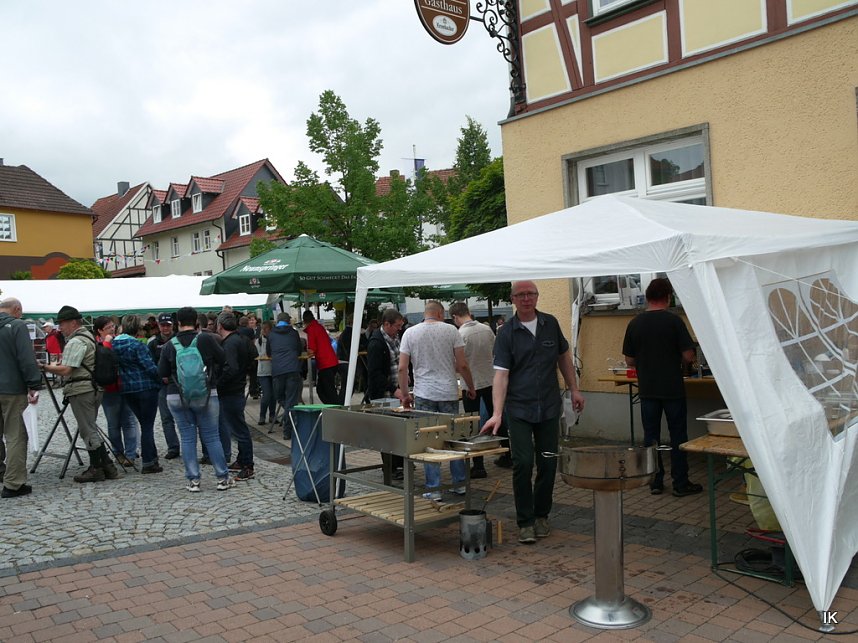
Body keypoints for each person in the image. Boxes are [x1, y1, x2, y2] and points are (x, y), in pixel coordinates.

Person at [482, 281, 585, 544]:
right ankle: (525, 521)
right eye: (521, 295)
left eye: (531, 294)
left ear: (537, 297)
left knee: (548, 463)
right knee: (523, 463)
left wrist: (574, 389)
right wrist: (496, 413)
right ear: (513, 299)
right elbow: (501, 375)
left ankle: (541, 516)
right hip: (518, 408)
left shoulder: (550, 323)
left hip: (549, 406)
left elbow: (563, 357)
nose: (527, 298)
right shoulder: (506, 333)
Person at [622, 277, 702, 498]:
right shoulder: (674, 321)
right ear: (668, 297)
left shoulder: (635, 323)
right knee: (678, 436)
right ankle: (680, 483)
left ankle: (655, 481)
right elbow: (688, 355)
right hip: (672, 389)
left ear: (647, 297)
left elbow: (629, 360)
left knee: (651, 437)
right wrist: (690, 359)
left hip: (647, 389)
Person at [397, 301, 476, 500]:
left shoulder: (410, 333)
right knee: (453, 438)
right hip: (448, 391)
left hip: (424, 393)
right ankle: (459, 484)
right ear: (440, 314)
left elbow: (402, 368)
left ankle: (434, 488)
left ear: (426, 313)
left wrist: (405, 394)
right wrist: (470, 387)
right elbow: (462, 364)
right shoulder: (451, 331)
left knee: (428, 441)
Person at [158, 306, 233, 492]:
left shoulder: (170, 344)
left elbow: (162, 372)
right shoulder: (206, 339)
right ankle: (222, 478)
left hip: (177, 395)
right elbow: (224, 359)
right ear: (197, 322)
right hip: (206, 393)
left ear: (178, 323)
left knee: (187, 437)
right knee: (212, 436)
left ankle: (193, 481)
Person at [42, 305, 120, 483]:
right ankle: (107, 465)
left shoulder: (76, 341)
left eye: (62, 323)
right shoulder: (88, 337)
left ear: (73, 322)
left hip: (82, 389)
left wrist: (44, 367)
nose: (59, 327)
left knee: (88, 430)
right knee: (90, 427)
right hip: (91, 387)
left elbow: (67, 369)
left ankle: (96, 468)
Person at [0, 297, 42, 497]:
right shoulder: (17, 326)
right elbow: (26, 358)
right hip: (11, 389)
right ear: (16, 309)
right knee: (15, 435)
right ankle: (13, 483)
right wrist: (34, 384)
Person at [111, 314, 163, 474]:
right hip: (145, 388)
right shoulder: (137, 345)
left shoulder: (114, 344)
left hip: (127, 389)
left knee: (143, 423)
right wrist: (161, 375)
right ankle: (148, 462)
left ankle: (153, 457)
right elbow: (149, 367)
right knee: (147, 425)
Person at [450, 302, 496, 479]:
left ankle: (478, 465)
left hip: (472, 384)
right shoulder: (487, 329)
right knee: (497, 418)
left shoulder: (460, 334)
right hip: (490, 380)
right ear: (469, 312)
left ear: (455, 317)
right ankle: (508, 455)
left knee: (472, 424)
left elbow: (458, 364)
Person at [366, 308, 405, 479]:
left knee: (398, 429)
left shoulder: (395, 338)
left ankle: (398, 464)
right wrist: (393, 388)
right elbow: (374, 374)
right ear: (386, 324)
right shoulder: (376, 343)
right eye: (397, 326)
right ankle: (389, 468)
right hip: (383, 394)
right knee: (386, 432)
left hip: (396, 391)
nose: (399, 329)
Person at [94, 316, 139, 466]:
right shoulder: (98, 345)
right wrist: (107, 342)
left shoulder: (119, 341)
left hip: (125, 386)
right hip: (109, 390)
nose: (112, 330)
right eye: (108, 327)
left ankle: (131, 454)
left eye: (113, 326)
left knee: (129, 422)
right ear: (100, 331)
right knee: (113, 424)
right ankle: (118, 453)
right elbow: (102, 360)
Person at [217, 311, 256, 481]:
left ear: (220, 326)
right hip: (237, 387)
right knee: (238, 427)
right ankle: (242, 460)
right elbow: (250, 359)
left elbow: (230, 368)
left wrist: (218, 382)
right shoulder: (240, 339)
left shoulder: (230, 343)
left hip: (231, 390)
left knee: (239, 429)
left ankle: (247, 465)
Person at [148, 312, 180, 460]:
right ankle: (173, 447)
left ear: (172, 325)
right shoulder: (153, 343)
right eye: (163, 325)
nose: (165, 328)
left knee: (185, 417)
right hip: (163, 385)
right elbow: (149, 364)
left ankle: (187, 444)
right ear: (159, 326)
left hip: (180, 383)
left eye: (168, 325)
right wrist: (161, 375)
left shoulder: (179, 340)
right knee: (166, 418)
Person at [267, 312, 303, 439]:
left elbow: (268, 353)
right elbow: (299, 350)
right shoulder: (294, 333)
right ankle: (289, 427)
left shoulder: (271, 334)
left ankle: (288, 428)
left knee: (280, 398)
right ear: (288, 321)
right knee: (291, 401)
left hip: (277, 370)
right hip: (292, 369)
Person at [302, 310, 340, 404]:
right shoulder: (319, 327)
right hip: (331, 361)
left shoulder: (311, 329)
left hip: (325, 363)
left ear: (304, 321)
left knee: (325, 390)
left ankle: (335, 409)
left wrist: (302, 352)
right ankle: (332, 408)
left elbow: (311, 350)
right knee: (325, 389)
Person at [256, 321, 275, 424]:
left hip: (274, 370)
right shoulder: (258, 341)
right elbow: (258, 355)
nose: (264, 330)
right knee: (267, 394)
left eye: (266, 328)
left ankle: (272, 415)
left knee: (274, 395)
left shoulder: (274, 340)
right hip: (263, 372)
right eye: (262, 328)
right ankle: (262, 415)